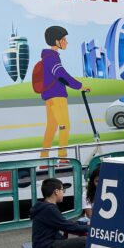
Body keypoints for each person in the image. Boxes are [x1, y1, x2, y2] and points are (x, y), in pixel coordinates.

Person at [39, 25, 89, 159]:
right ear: (56, 41)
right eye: (64, 39)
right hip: (57, 97)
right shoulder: (52, 57)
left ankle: (43, 158)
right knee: (64, 126)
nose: (66, 42)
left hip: (50, 98)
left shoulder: (47, 57)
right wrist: (79, 86)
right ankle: (63, 157)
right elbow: (61, 75)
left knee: (51, 128)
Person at [31, 178, 89, 248]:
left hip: (41, 247)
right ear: (56, 192)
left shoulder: (44, 206)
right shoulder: (49, 209)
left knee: (76, 242)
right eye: (63, 190)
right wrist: (89, 228)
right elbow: (67, 226)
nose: (63, 193)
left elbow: (63, 223)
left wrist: (82, 224)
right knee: (85, 241)